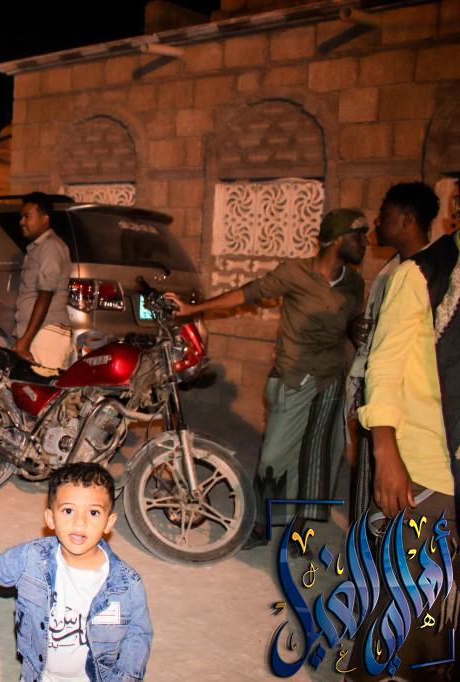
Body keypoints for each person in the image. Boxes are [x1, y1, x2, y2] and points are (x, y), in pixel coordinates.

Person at [167, 208, 367, 548]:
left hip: (330, 379)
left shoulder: (353, 284)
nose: (365, 243)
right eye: (358, 236)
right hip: (292, 377)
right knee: (274, 455)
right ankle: (260, 524)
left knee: (320, 458)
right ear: (337, 240)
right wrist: (193, 309)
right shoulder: (296, 272)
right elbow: (250, 292)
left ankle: (300, 529)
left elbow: (351, 324)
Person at [346, 197, 457, 681]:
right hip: (424, 456)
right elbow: (384, 365)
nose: (375, 225)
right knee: (405, 596)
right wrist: (385, 449)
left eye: (384, 217)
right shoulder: (419, 275)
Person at [0, 463, 152, 681]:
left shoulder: (126, 584)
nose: (80, 522)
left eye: (93, 512)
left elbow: (138, 635)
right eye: (68, 510)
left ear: (109, 522)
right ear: (50, 519)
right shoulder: (32, 558)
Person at [347, 183, 435, 523]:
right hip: (378, 399)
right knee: (369, 487)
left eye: (384, 215)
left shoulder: (429, 274)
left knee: (398, 498)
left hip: (404, 409)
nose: (376, 222)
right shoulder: (394, 268)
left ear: (407, 220)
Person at [14, 192, 73, 369]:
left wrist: (25, 341)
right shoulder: (38, 247)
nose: (21, 222)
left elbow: (45, 294)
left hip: (47, 334)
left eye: (27, 216)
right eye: (21, 217)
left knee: (44, 385)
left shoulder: (50, 246)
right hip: (38, 334)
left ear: (45, 218)